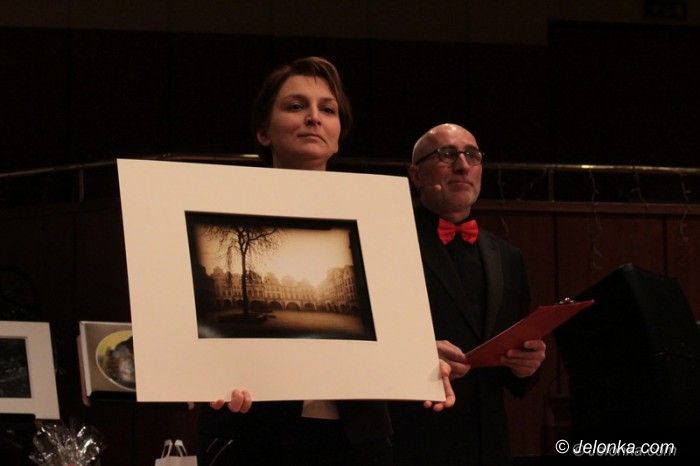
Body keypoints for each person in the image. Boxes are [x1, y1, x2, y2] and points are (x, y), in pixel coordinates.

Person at [197, 57, 454, 466]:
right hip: (253, 433)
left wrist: (418, 359)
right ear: (263, 131)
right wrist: (203, 369)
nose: (314, 117)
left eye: (328, 109)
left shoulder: (379, 219)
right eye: (296, 106)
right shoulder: (216, 208)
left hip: (359, 438)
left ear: (338, 136)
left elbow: (392, 320)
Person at [389, 123, 547, 466]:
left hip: (488, 443)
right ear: (416, 175)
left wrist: (527, 367)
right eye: (446, 154)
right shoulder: (388, 242)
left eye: (471, 155)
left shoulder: (509, 257)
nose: (462, 165)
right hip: (411, 440)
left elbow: (517, 373)